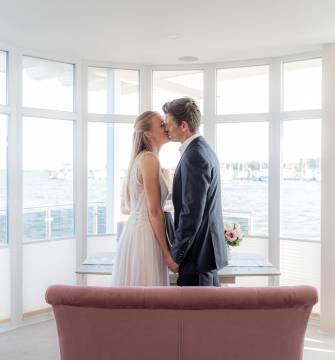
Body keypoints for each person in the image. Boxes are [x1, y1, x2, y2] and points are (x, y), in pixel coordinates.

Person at [163, 97, 228, 286]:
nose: (166, 128)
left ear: (183, 125)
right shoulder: (203, 149)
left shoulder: (195, 155)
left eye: (168, 124)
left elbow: (192, 213)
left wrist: (177, 255)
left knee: (196, 315)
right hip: (205, 255)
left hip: (198, 256)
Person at [111, 111, 178, 286]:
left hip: (134, 233)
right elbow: (154, 211)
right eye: (161, 125)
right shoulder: (149, 159)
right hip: (146, 236)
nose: (166, 127)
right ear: (148, 133)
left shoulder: (141, 159)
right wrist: (167, 253)